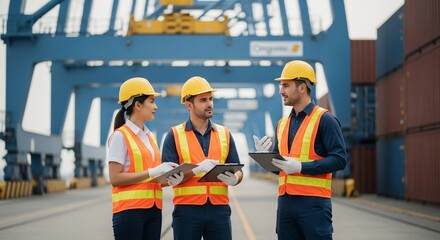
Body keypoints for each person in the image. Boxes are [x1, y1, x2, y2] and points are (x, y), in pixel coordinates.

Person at [254, 60, 347, 240]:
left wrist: (301, 167)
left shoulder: (325, 119)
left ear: (302, 87)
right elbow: (281, 168)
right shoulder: (281, 124)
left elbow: (340, 159)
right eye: (281, 86)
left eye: (286, 85)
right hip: (285, 204)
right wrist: (265, 159)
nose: (281, 91)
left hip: (314, 205)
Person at [162, 76, 244, 240]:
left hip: (219, 210)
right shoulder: (174, 135)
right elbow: (165, 180)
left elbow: (238, 169)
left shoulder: (225, 134)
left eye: (211, 99)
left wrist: (235, 179)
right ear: (189, 104)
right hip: (186, 211)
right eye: (203, 100)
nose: (209, 104)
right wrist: (197, 169)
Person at [107, 77, 178, 240]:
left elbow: (153, 179)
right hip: (129, 212)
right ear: (138, 105)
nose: (155, 107)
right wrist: (152, 171)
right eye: (152, 101)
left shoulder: (149, 137)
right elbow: (115, 178)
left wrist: (173, 177)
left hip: (153, 210)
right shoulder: (120, 136)